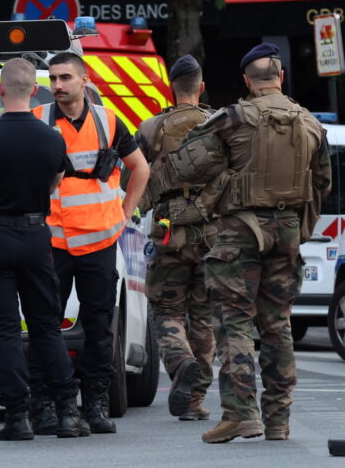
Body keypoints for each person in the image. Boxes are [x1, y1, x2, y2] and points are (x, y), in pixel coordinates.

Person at [174, 43, 331, 443]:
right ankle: (278, 420)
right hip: (288, 231)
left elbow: (188, 163)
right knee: (278, 325)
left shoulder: (233, 116)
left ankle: (241, 413)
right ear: (281, 77)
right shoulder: (312, 123)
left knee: (234, 322)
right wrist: (299, 228)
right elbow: (322, 184)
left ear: (247, 80)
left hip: (240, 232)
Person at [0, 58, 87, 441]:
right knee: (47, 327)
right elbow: (54, 183)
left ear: (1, 91)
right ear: (35, 91)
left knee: (5, 332)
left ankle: (17, 416)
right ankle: (67, 413)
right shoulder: (53, 138)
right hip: (35, 236)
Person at [30, 52, 149, 434]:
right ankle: (45, 401)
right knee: (45, 324)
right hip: (54, 241)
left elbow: (140, 168)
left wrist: (125, 213)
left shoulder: (108, 120)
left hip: (99, 240)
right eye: (53, 79)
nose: (58, 85)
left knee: (100, 326)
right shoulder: (38, 121)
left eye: (65, 77)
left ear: (84, 80)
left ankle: (95, 402)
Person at [135, 55, 216, 421]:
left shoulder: (152, 127)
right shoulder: (220, 124)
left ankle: (181, 364)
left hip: (169, 230)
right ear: (201, 87)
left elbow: (131, 178)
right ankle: (195, 402)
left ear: (172, 87)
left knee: (167, 310)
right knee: (202, 315)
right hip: (211, 230)